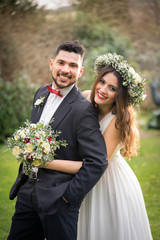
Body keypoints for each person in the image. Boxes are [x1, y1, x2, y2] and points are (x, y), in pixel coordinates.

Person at [38, 53, 153, 240]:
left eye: (112, 88)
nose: (103, 90)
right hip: (81, 175)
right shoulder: (85, 98)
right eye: (102, 82)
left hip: (105, 179)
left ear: (120, 95)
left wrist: (46, 162)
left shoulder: (117, 121)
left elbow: (93, 165)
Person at [7, 40, 108, 240]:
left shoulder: (84, 109)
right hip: (27, 193)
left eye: (73, 65)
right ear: (51, 64)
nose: (65, 69)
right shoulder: (41, 93)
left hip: (58, 201)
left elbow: (97, 162)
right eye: (61, 62)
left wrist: (67, 197)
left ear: (80, 72)